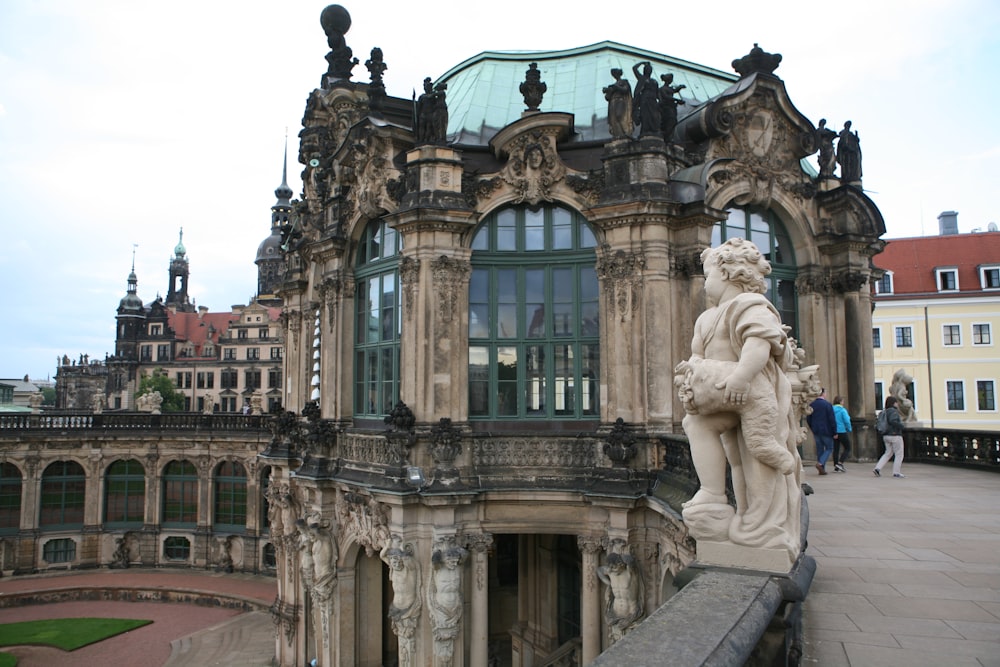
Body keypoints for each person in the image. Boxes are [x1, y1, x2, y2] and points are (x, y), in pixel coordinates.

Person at [675, 237, 800, 558]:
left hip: (752, 392)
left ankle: (761, 522)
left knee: (756, 450)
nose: (704, 285)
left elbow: (758, 345)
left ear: (728, 274)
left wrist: (742, 377)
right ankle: (719, 497)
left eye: (708, 276)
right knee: (704, 430)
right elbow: (696, 355)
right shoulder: (706, 318)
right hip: (724, 394)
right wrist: (690, 372)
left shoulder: (750, 306)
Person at [874, 396, 905, 478]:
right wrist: (901, 426)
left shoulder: (884, 412)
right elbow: (893, 421)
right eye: (896, 402)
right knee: (899, 454)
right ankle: (896, 472)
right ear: (894, 403)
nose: (897, 404)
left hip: (886, 435)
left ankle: (877, 468)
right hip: (895, 435)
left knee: (888, 453)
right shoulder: (894, 411)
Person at [807, 388, 836, 475]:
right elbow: (832, 419)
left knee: (820, 449)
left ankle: (821, 469)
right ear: (823, 393)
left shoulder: (812, 405)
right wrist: (835, 432)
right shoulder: (827, 405)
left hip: (816, 430)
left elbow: (809, 418)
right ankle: (820, 463)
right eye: (825, 392)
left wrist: (812, 428)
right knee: (829, 448)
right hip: (827, 430)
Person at [603, 68, 633, 139]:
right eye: (613, 74)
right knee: (613, 119)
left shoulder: (624, 82)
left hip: (620, 101)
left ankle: (625, 132)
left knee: (619, 115)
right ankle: (618, 134)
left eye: (615, 74)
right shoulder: (613, 85)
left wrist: (615, 87)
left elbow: (625, 90)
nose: (614, 75)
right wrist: (607, 91)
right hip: (613, 103)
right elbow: (607, 97)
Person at [832, 395, 853, 472]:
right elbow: (847, 421)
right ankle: (840, 463)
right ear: (840, 402)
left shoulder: (831, 410)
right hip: (842, 431)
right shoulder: (842, 410)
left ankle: (836, 465)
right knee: (848, 448)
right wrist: (849, 429)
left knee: (836, 449)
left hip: (834, 431)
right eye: (843, 401)